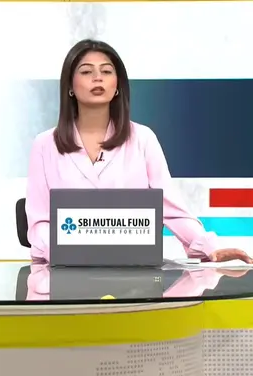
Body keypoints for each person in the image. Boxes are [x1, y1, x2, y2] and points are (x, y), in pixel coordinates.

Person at [25, 39, 252, 264]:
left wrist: (211, 247)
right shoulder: (45, 144)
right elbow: (39, 222)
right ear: (70, 86)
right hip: (65, 273)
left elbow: (171, 209)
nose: (98, 78)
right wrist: (65, 252)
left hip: (133, 273)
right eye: (86, 72)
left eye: (106, 71)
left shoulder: (143, 138)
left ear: (117, 86)